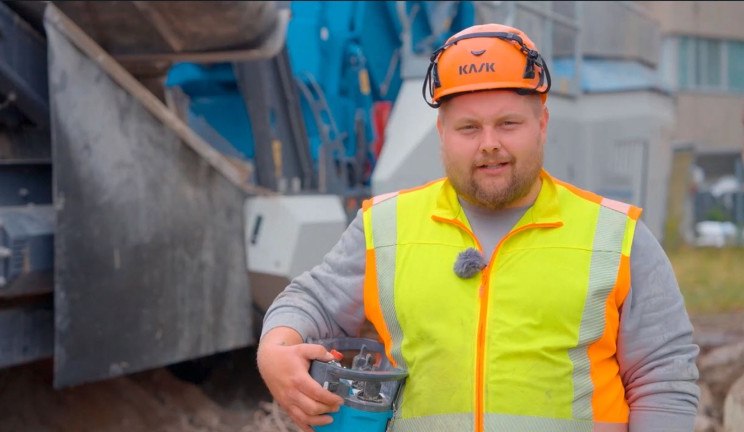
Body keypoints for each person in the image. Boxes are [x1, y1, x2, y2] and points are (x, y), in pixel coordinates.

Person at [257, 23, 700, 432]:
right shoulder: (384, 226)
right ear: (442, 132)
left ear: (541, 124)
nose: (490, 143)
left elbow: (664, 374)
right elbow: (311, 300)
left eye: (508, 123)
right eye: (469, 127)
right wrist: (274, 351)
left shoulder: (615, 235)